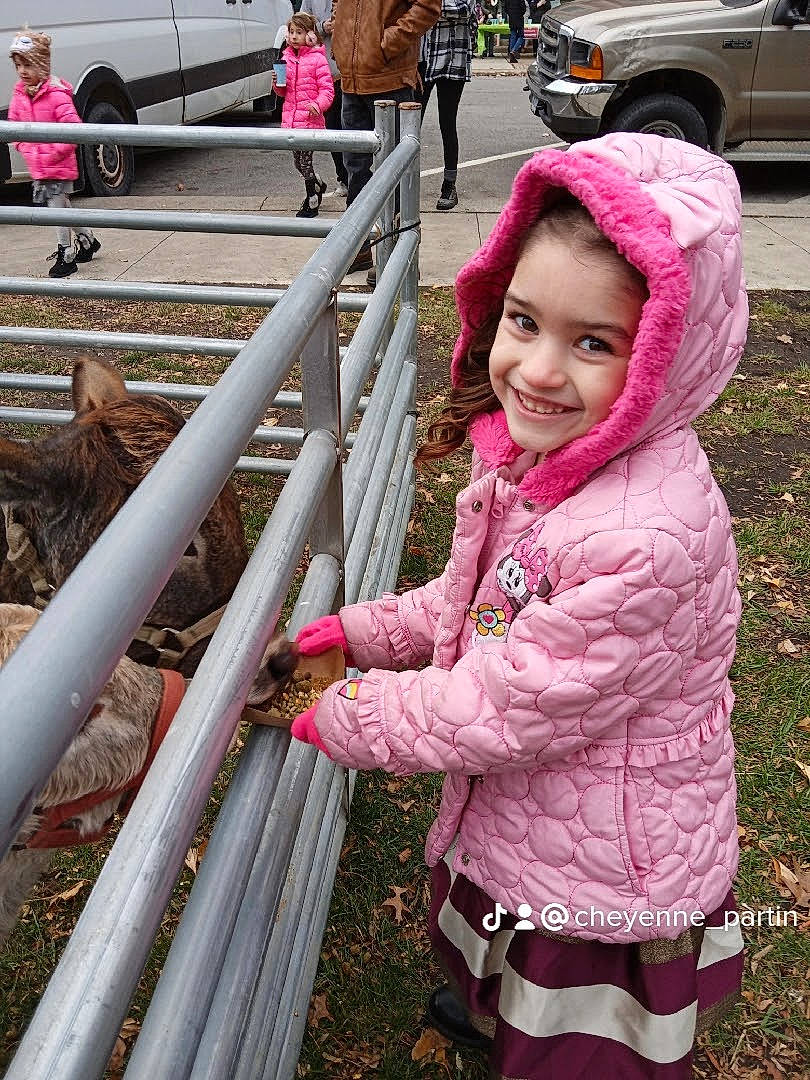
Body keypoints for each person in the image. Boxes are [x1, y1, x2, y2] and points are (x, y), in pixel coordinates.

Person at [289, 132, 748, 1078]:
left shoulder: (643, 536)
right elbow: (489, 606)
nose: (538, 371)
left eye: (594, 342)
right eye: (524, 321)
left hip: (607, 874)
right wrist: (371, 633)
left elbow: (505, 700)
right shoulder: (558, 468)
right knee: (512, 967)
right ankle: (493, 1010)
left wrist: (351, 713)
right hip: (545, 822)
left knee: (576, 1039)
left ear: (665, 355)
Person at [332, 0, 441, 279]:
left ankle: (393, 251)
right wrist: (342, 38)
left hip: (390, 79)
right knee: (356, 170)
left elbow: (428, 7)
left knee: (393, 172)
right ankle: (361, 246)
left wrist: (386, 43)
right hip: (352, 79)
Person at [8, 28, 101, 279]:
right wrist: (26, 147)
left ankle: (66, 253)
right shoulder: (20, 95)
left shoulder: (57, 95)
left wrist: (51, 152)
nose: (22, 71)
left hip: (58, 164)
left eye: (27, 64)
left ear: (42, 64)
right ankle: (88, 239)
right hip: (38, 166)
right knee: (63, 206)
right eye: (18, 65)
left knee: (56, 209)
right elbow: (13, 128)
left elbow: (73, 130)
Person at [272, 13, 335, 218]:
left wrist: (318, 104)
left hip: (309, 121)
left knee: (305, 162)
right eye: (291, 32)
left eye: (299, 32)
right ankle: (317, 183)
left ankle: (312, 200)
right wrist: (277, 83)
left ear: (310, 35)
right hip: (291, 120)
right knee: (298, 163)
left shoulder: (317, 59)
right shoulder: (286, 58)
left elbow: (327, 90)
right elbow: (283, 92)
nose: (294, 36)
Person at [420, 0, 477, 211]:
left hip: (453, 58)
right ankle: (402, 183)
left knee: (447, 122)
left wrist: (427, 6)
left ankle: (449, 184)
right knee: (410, 125)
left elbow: (463, 10)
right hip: (422, 59)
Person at [301, 0, 349, 197]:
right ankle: (343, 178)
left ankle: (357, 178)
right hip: (325, 74)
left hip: (351, 71)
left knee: (354, 127)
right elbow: (300, 25)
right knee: (333, 127)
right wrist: (322, 27)